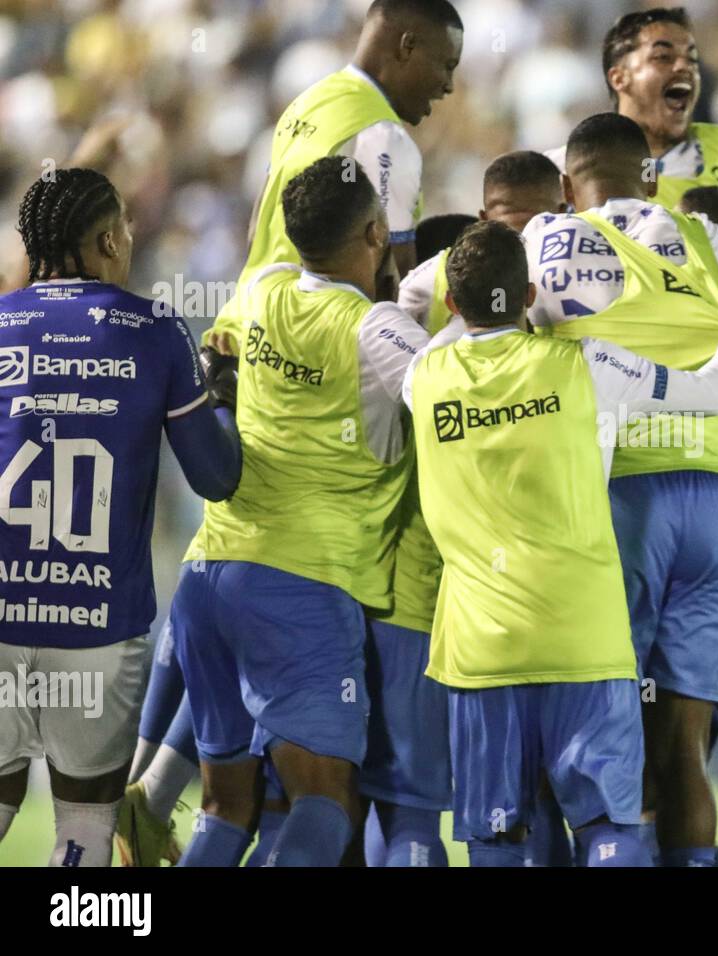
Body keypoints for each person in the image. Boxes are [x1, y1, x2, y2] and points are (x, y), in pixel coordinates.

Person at [402, 220, 718, 866]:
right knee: (607, 829)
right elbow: (709, 393)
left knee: (497, 837)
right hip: (587, 640)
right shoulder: (591, 364)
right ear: (529, 296)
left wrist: (473, 302)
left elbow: (443, 322)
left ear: (454, 305)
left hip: (482, 650)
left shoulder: (423, 378)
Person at [523, 112, 718, 866]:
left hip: (618, 497)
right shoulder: (707, 238)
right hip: (711, 498)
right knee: (684, 741)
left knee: (607, 727)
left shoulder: (545, 238)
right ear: (649, 175)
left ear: (570, 184)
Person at [172, 157, 433, 867]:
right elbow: (461, 394)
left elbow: (221, 352)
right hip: (305, 584)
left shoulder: (262, 287)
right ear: (378, 230)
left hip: (208, 577)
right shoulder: (374, 331)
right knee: (326, 802)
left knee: (226, 808)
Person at [0, 168, 241, 867]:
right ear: (107, 238)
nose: (132, 237)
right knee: (82, 831)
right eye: (126, 226)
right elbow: (216, 478)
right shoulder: (155, 332)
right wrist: (219, 395)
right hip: (97, 627)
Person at [205, 0, 463, 348]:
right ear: (407, 46)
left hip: (243, 333)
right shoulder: (384, 136)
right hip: (313, 357)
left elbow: (257, 228)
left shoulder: (307, 102)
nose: (448, 85)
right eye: (446, 66)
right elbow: (392, 281)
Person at [544, 8, 718, 215]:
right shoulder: (565, 167)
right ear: (619, 78)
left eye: (692, 59)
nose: (684, 66)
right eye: (663, 57)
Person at [399, 150, 566, 335]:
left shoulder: (588, 270)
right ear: (483, 220)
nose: (522, 251)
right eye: (511, 235)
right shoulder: (425, 285)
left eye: (534, 230)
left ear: (563, 213)